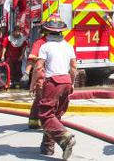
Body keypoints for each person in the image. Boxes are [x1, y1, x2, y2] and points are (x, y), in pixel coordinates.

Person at [31, 17, 77, 159]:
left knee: (45, 115)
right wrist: (72, 83)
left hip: (53, 82)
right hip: (66, 81)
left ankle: (66, 137)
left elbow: (39, 68)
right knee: (55, 116)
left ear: (46, 32)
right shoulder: (68, 46)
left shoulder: (45, 47)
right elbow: (74, 68)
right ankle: (48, 148)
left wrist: (33, 84)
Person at [26, 26, 49, 129]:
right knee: (40, 98)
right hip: (43, 76)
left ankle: (50, 122)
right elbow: (31, 57)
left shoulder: (61, 43)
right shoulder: (39, 43)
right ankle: (34, 120)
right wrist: (26, 73)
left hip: (56, 76)